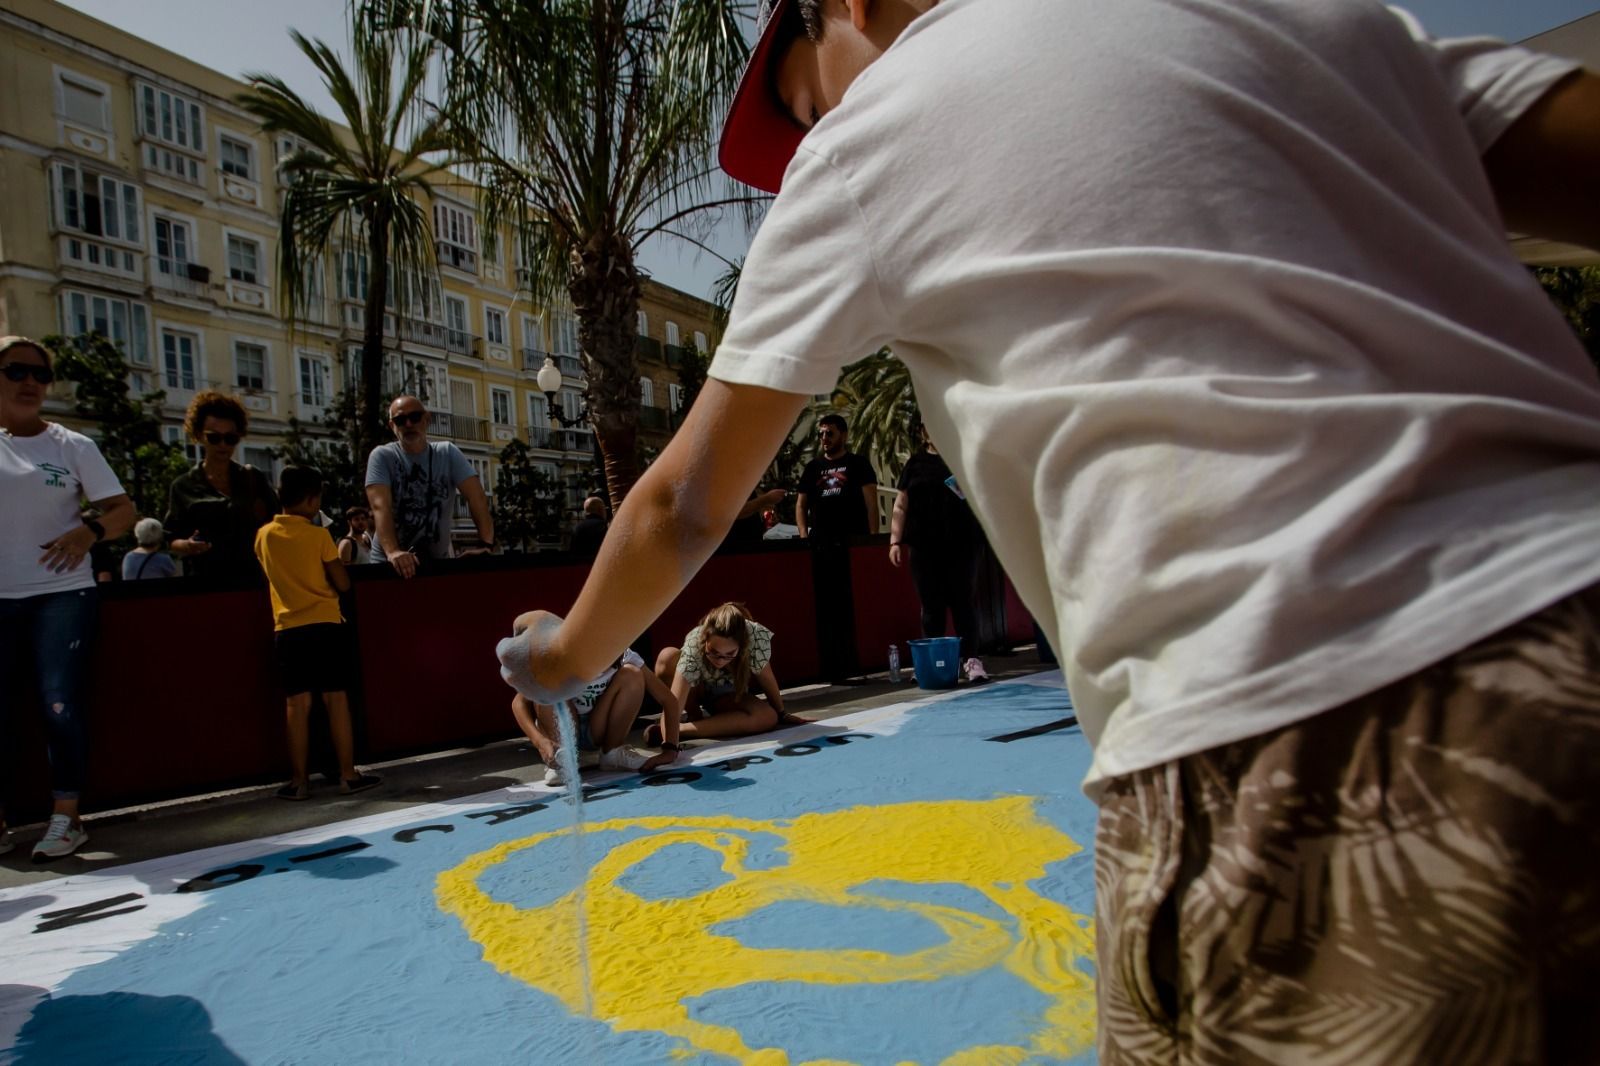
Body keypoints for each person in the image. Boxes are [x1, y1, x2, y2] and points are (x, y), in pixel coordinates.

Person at [498, 1, 1600, 1060]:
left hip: (1309, 713)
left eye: (800, 101)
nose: (806, 142)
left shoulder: (868, 141)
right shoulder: (1285, 12)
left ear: (846, 4)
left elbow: (685, 503)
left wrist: (560, 657)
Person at [0, 336, 134, 860]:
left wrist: (90, 534)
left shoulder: (72, 446)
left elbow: (122, 509)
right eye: (15, 371)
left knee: (59, 704)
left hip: (62, 593)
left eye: (40, 374)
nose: (30, 382)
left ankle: (66, 818)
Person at [253, 465, 381, 801]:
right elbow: (342, 582)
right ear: (312, 500)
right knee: (336, 700)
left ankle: (298, 781)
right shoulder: (318, 536)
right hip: (325, 624)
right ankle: (348, 775)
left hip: (287, 628)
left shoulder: (264, 536)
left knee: (296, 704)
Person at [889, 419, 986, 682]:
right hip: (924, 546)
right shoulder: (915, 464)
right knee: (931, 606)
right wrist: (895, 541)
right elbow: (900, 506)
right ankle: (934, 663)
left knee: (963, 601)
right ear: (923, 432)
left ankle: (972, 660)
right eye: (927, 425)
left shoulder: (962, 458)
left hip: (963, 544)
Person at [365, 395, 495, 578]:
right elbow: (380, 507)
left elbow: (476, 496)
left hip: (437, 564)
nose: (409, 424)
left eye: (415, 417)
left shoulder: (447, 453)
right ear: (392, 426)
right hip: (390, 564)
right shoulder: (382, 456)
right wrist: (393, 551)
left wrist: (485, 546)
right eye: (401, 420)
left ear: (427, 419)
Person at [510, 648, 679, 786]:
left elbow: (668, 700)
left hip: (598, 727)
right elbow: (519, 703)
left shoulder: (625, 656)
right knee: (546, 685)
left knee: (632, 674)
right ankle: (562, 761)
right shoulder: (559, 657)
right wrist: (540, 742)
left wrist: (670, 749)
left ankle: (612, 752)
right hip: (562, 726)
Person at [163, 390, 278, 583]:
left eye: (231, 438)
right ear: (199, 435)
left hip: (254, 580)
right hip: (207, 583)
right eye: (214, 438)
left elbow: (278, 523)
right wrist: (188, 546)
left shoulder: (253, 478)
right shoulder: (183, 486)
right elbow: (171, 538)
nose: (223, 445)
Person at [648, 603, 793, 744]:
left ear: (741, 645)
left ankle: (682, 730)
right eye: (714, 652)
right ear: (705, 640)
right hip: (694, 689)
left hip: (725, 693)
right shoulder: (695, 642)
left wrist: (782, 713)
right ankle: (692, 716)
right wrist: (669, 747)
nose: (720, 661)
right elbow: (674, 701)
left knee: (768, 717)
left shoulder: (754, 636)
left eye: (729, 654)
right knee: (667, 656)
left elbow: (766, 677)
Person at [795, 414, 876, 542]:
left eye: (829, 434)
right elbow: (801, 505)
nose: (824, 438)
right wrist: (804, 536)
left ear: (844, 436)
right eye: (820, 434)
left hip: (854, 541)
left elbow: (871, 505)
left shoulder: (859, 464)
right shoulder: (812, 467)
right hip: (820, 543)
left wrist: (873, 539)